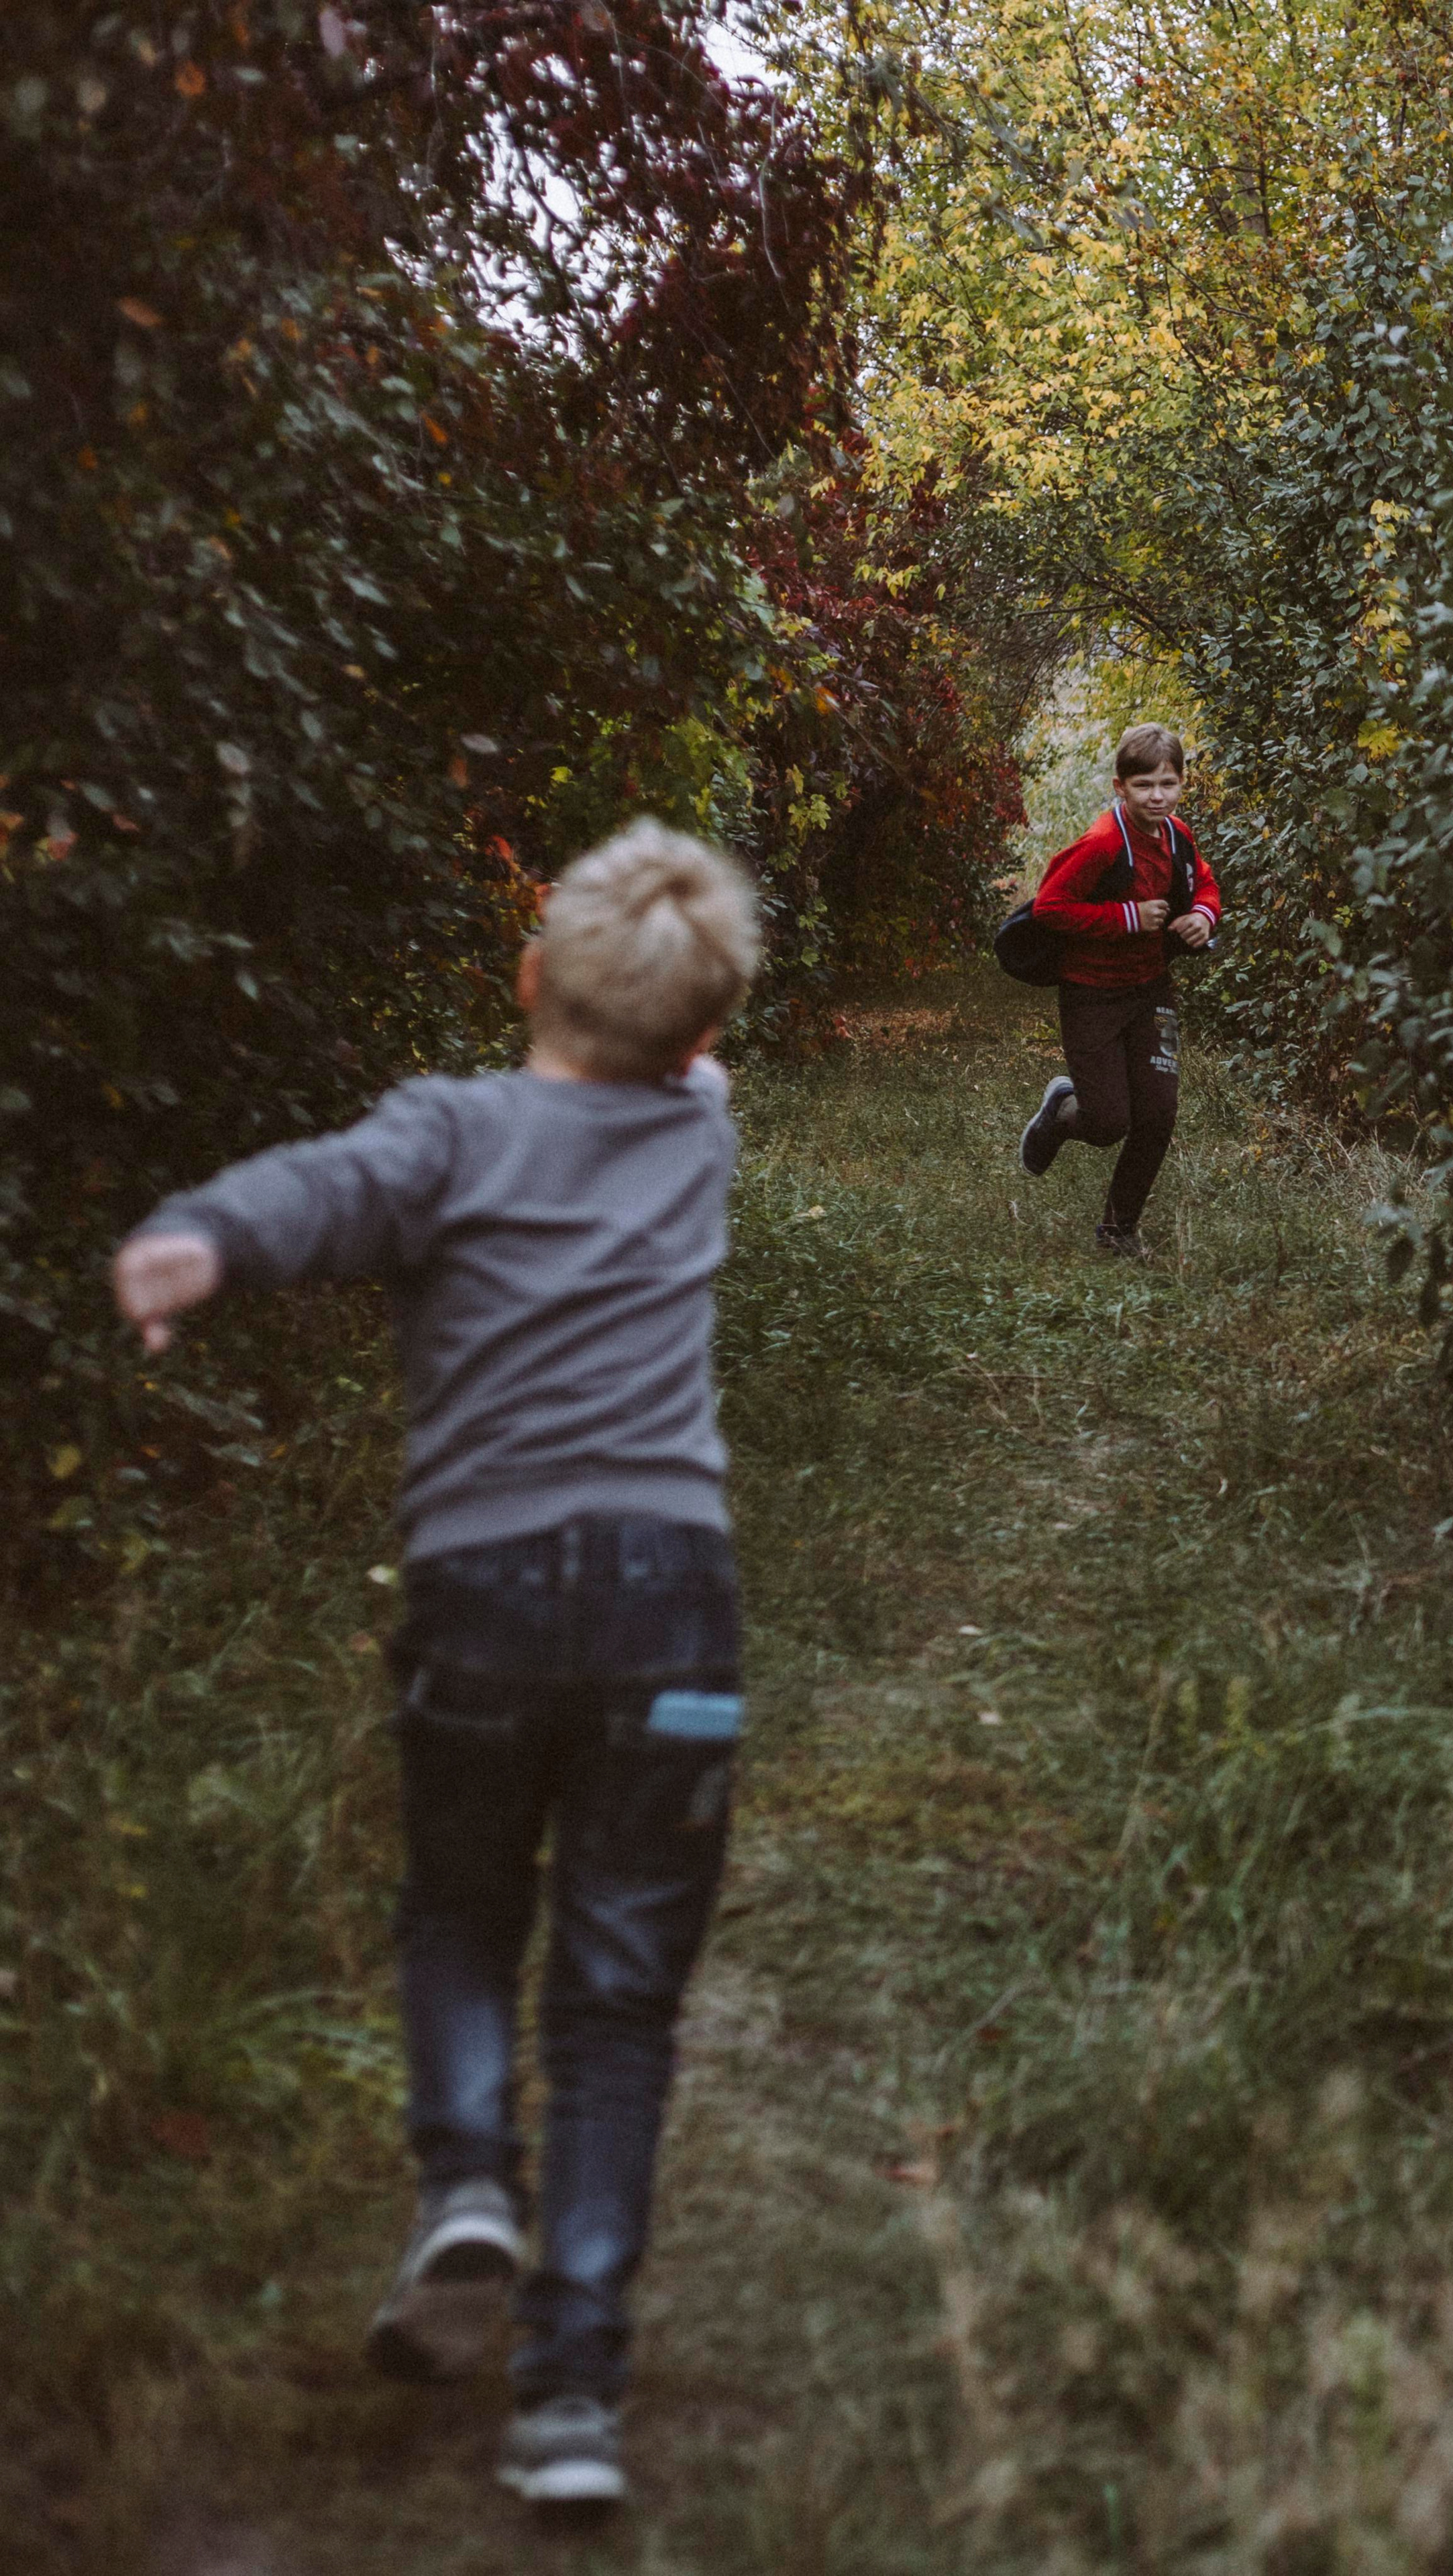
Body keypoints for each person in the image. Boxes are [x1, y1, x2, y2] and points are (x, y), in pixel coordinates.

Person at [111, 821, 761, 2508]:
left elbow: (324, 1191)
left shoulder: (455, 1128)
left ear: (527, 976)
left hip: (481, 1594)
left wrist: (200, 1236)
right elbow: (673, 1051)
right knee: (618, 2002)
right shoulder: (698, 1131)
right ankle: (568, 2402)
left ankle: (469, 2183)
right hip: (674, 1609)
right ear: (705, 1033)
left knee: (463, 1904)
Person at [1016, 723, 1222, 1256]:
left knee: (1159, 1112)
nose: (1158, 796)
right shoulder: (1103, 842)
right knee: (1108, 1122)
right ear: (1119, 787)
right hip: (1092, 993)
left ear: (1181, 784)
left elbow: (1204, 881)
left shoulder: (1177, 834)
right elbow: (1050, 907)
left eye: (1169, 784)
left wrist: (1204, 914)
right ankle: (1063, 1107)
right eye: (1144, 786)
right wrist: (1127, 917)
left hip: (1152, 990)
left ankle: (1118, 1230)